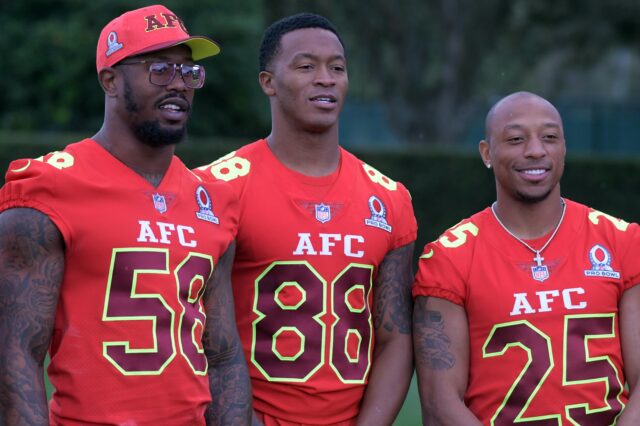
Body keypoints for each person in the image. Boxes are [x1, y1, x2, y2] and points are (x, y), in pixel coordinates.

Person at [0, 5, 252, 425]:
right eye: (160, 69)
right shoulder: (49, 186)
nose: (179, 85)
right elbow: (15, 352)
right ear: (111, 80)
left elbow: (223, 355)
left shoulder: (213, 201)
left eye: (188, 73)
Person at [194, 12, 417, 426]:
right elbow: (195, 335)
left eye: (337, 67)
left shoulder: (388, 199)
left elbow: (395, 338)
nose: (326, 78)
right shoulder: (216, 189)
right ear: (268, 82)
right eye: (306, 66)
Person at [412, 91, 640, 425]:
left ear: (564, 148)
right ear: (487, 153)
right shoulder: (449, 257)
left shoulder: (623, 242)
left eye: (549, 137)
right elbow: (439, 403)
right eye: (516, 139)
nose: (535, 150)